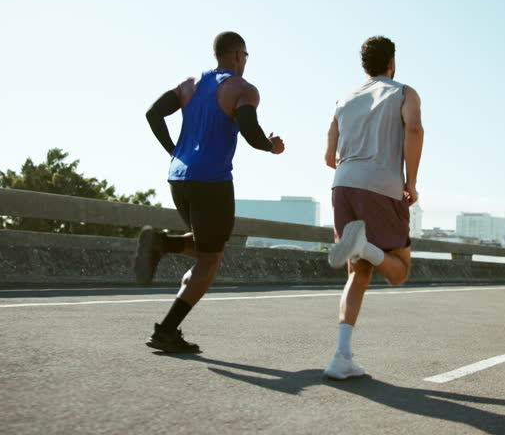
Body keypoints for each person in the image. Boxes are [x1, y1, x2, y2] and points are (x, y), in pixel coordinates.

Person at [134, 31, 285, 353]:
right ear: (238, 54)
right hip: (212, 181)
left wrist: (175, 152)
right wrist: (271, 146)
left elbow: (153, 114)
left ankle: (165, 244)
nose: (245, 61)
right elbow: (250, 130)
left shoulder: (189, 84)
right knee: (210, 261)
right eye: (246, 56)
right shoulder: (242, 89)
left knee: (207, 247)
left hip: (178, 178)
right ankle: (166, 330)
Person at [322, 36, 424, 379]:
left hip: (343, 185)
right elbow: (414, 129)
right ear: (392, 62)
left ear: (364, 65)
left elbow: (329, 156)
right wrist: (410, 182)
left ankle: (341, 356)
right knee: (400, 272)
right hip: (382, 186)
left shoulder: (344, 99)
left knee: (358, 273)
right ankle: (364, 246)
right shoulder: (404, 93)